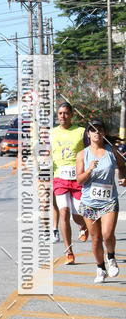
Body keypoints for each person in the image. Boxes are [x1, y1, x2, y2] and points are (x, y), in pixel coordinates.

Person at [76, 119, 126, 284]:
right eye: (93, 130)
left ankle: (111, 257)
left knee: (107, 233)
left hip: (109, 200)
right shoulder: (82, 154)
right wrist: (89, 169)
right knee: (96, 238)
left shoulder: (111, 151)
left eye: (99, 129)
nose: (97, 132)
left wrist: (123, 178)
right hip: (89, 202)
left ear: (103, 133)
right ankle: (100, 268)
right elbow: (79, 181)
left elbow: (122, 165)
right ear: (88, 134)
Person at [52, 102, 88, 264]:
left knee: (77, 216)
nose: (62, 116)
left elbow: (91, 149)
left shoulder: (80, 132)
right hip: (59, 179)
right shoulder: (51, 133)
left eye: (66, 113)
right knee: (64, 212)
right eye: (60, 113)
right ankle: (69, 252)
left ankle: (83, 226)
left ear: (72, 115)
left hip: (78, 179)